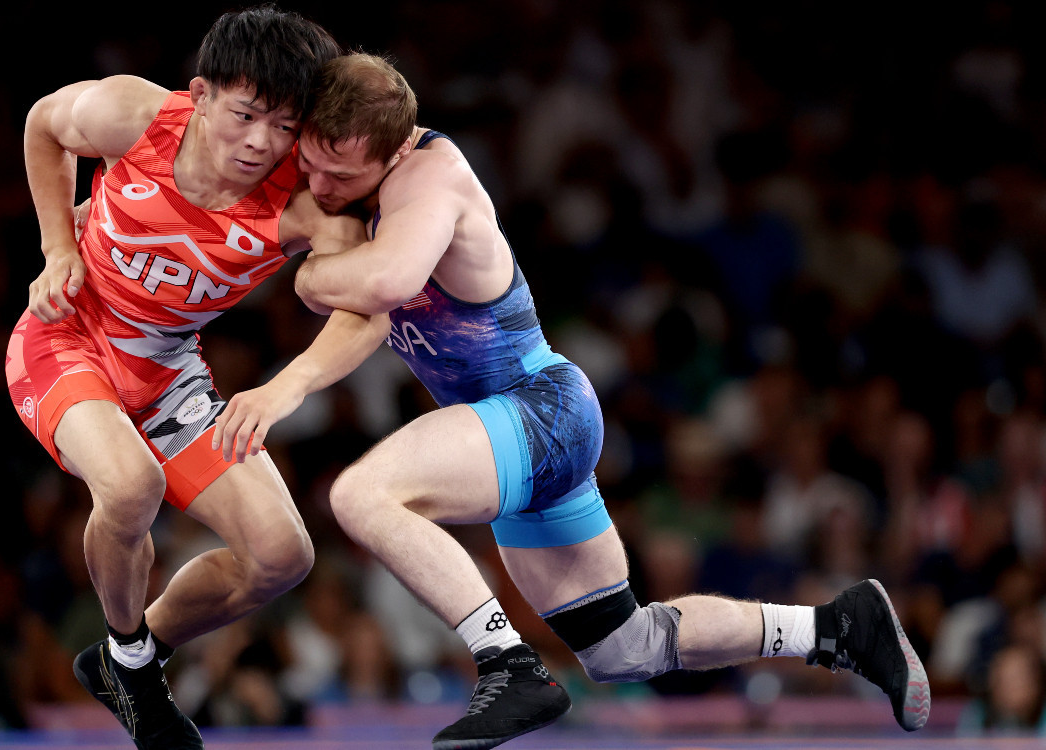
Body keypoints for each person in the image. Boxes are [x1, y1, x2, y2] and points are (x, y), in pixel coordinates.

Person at [289, 53, 931, 749]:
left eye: (340, 173)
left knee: (360, 495)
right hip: (514, 430)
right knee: (622, 646)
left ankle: (507, 664)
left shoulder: (432, 175)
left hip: (536, 410)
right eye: (312, 165)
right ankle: (835, 627)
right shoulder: (348, 182)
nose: (319, 185)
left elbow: (389, 279)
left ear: (394, 149)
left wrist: (310, 274)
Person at [5, 9, 388, 749]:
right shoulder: (132, 115)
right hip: (66, 337)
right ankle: (135, 671)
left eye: (284, 125)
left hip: (169, 373)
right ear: (202, 93)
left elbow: (366, 311)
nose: (261, 143)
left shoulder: (306, 202)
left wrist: (288, 386)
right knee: (129, 486)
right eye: (246, 115)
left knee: (283, 556)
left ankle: (125, 655)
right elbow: (43, 124)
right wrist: (57, 248)